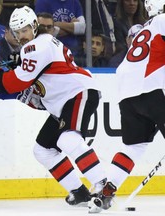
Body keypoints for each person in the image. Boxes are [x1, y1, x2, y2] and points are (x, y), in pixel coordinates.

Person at [0, 6, 107, 206]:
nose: (22, 36)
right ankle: (79, 191)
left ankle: (102, 184)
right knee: (43, 150)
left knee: (67, 138)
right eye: (17, 32)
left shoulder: (37, 46)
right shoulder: (39, 45)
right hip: (64, 102)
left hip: (78, 93)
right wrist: (2, 76)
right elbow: (25, 85)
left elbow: (13, 83)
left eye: (25, 30)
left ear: (35, 26)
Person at [88, 0, 165, 213]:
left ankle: (105, 192)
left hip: (127, 92)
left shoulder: (145, 30)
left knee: (134, 146)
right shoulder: (162, 22)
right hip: (151, 88)